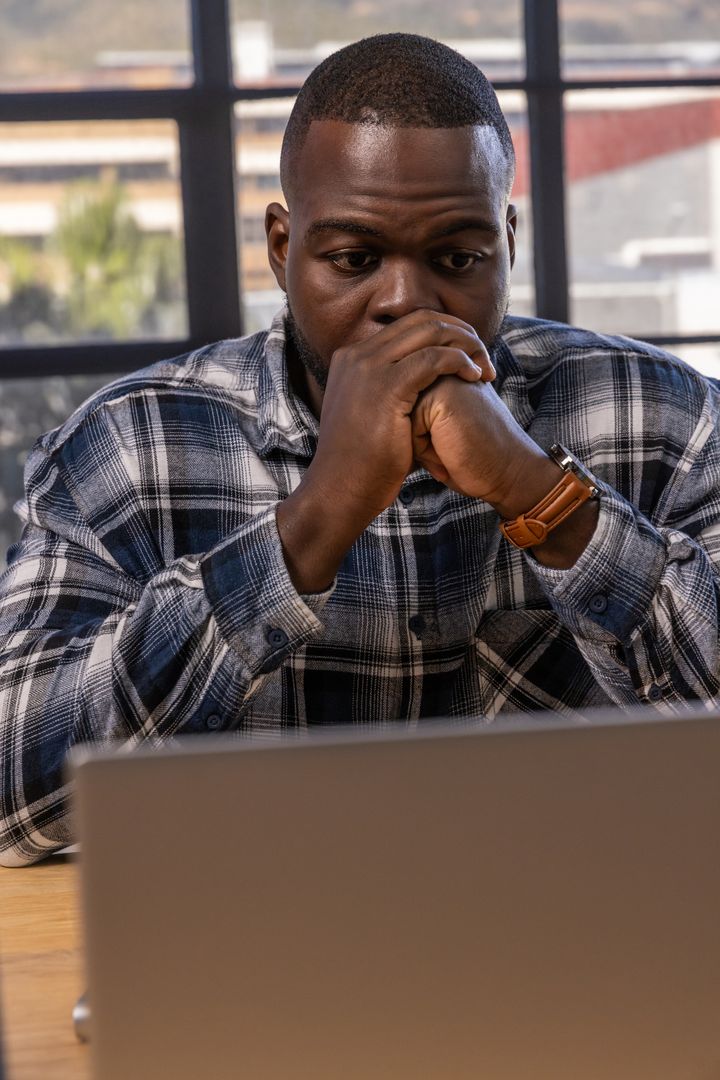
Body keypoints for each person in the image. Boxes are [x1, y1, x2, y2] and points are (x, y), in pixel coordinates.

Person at [1, 33, 719, 866]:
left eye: (459, 258)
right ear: (281, 249)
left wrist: (542, 497)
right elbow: (12, 800)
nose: (406, 302)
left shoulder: (670, 418)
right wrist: (311, 522)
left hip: (605, 963)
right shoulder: (129, 449)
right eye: (354, 259)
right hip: (249, 966)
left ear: (508, 245)